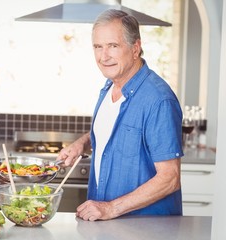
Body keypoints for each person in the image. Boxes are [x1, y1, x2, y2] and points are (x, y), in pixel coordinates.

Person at [57, 9, 184, 221]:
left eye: (113, 46)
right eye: (98, 47)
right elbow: (116, 133)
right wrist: (83, 143)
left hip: (147, 229)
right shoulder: (109, 88)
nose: (103, 56)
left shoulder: (159, 100)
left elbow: (170, 178)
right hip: (108, 226)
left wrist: (110, 208)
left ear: (136, 48)